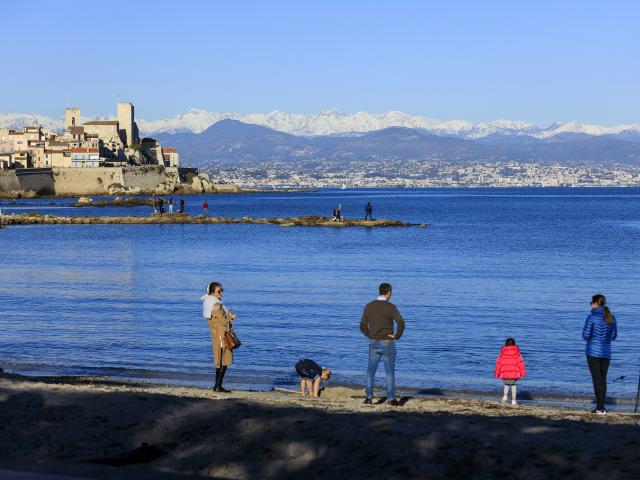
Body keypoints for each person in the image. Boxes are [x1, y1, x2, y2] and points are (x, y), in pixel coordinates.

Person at [360, 282, 405, 406]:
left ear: (379, 291)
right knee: (389, 372)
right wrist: (397, 336)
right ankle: (391, 399)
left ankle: (369, 397)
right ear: (389, 293)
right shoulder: (390, 307)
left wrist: (370, 335)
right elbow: (401, 322)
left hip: (374, 341)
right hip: (387, 342)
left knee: (370, 371)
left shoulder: (369, 306)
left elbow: (362, 325)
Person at [583, 294, 617, 415]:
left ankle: (600, 408)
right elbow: (613, 336)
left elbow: (585, 336)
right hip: (606, 352)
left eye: (591, 303)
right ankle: (601, 408)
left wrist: (594, 338)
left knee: (597, 380)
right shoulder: (611, 318)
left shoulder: (591, 318)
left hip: (592, 352)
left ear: (595, 304)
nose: (590, 305)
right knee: (603, 379)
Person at [201, 282, 237, 392]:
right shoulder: (216, 306)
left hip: (217, 335)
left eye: (222, 291)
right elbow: (223, 322)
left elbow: (216, 321)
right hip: (222, 337)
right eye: (219, 291)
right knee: (223, 362)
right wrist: (231, 318)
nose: (221, 293)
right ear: (212, 292)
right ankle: (217, 386)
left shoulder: (209, 303)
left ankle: (217, 386)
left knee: (220, 362)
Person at [494, 338, 526, 405]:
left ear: (506, 344)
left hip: (505, 372)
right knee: (513, 386)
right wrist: (522, 374)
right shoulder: (517, 353)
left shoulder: (502, 353)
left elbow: (498, 364)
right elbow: (521, 363)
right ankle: (513, 401)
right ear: (514, 344)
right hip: (514, 373)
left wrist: (497, 374)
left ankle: (505, 397)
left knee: (506, 384)